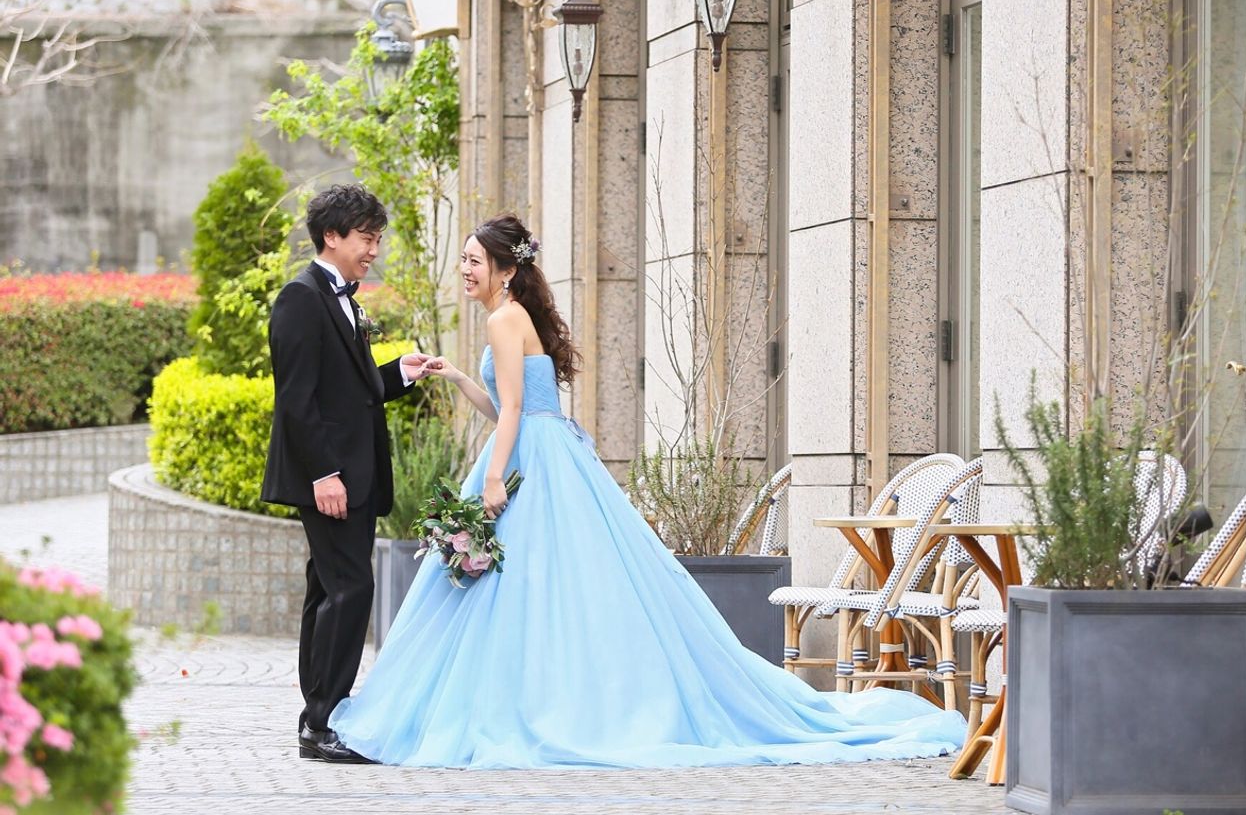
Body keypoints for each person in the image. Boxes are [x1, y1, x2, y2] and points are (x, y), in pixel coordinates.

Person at [328, 213, 966, 768]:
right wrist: (459, 377)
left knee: (523, 586)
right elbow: (506, 409)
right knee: (541, 586)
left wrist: (493, 478)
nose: (465, 269)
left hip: (531, 461)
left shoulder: (504, 318)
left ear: (505, 269)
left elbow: (516, 413)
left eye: (473, 260)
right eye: (466, 259)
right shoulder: (513, 316)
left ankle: (526, 706)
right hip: (544, 451)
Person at [261, 184, 433, 764]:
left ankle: (319, 715)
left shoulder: (342, 299)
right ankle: (323, 721)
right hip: (332, 479)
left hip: (352, 475)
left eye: (378, 238)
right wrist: (323, 474)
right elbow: (296, 401)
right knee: (350, 588)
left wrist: (400, 372)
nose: (374, 250)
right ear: (331, 236)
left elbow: (353, 392)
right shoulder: (300, 298)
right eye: (366, 238)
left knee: (328, 589)